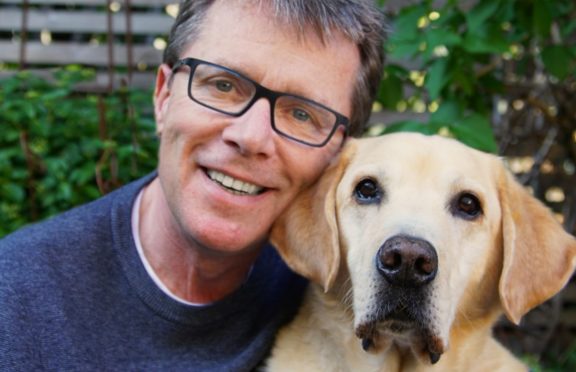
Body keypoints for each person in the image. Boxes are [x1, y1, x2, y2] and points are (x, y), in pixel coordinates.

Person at [0, 0, 386, 370]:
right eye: (222, 85)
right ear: (163, 97)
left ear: (342, 154)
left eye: (302, 113)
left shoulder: (359, 300)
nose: (250, 137)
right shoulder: (17, 304)